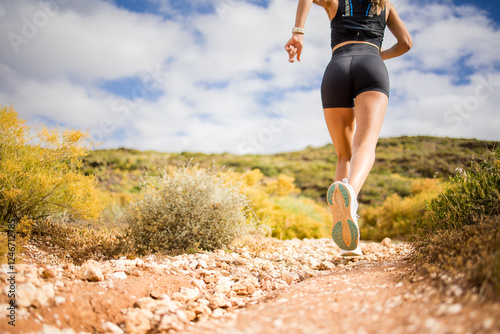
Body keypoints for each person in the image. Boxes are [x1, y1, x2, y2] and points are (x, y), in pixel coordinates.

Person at [285, 0, 412, 256]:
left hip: (337, 68)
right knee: (365, 143)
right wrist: (378, 55)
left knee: (344, 154)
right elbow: (406, 43)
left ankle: (346, 238)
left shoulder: (336, 2)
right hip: (372, 65)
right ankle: (350, 194)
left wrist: (298, 32)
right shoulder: (385, 7)